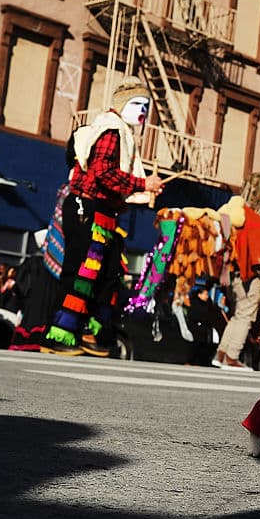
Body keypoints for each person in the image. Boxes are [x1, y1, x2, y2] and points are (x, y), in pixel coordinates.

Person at [42, 77, 163, 356]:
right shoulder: (112, 130)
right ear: (121, 105)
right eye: (137, 104)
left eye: (146, 105)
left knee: (107, 275)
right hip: (88, 211)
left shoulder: (121, 131)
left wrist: (125, 197)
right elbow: (102, 173)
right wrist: (144, 185)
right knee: (83, 272)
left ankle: (88, 332)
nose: (143, 110)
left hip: (104, 214)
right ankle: (60, 333)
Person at [212, 195, 260, 370]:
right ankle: (231, 357)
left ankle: (221, 354)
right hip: (250, 276)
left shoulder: (230, 218)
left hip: (233, 273)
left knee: (238, 315)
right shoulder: (256, 222)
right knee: (246, 316)